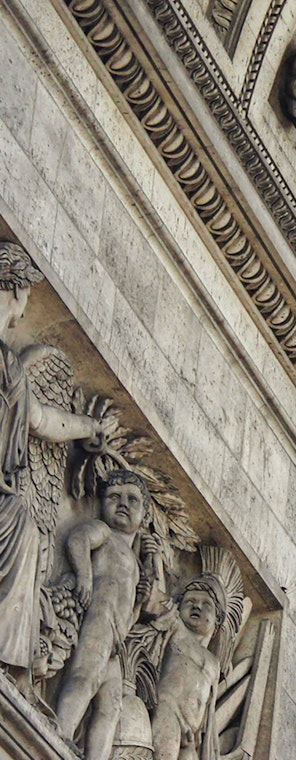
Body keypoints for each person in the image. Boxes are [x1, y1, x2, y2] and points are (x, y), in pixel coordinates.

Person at [0, 241, 103, 689]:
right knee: (21, 523)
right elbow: (43, 422)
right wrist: (88, 427)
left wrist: (85, 427)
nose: (21, 313)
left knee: (20, 521)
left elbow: (41, 421)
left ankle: (10, 664)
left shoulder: (10, 365)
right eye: (22, 296)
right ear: (16, 290)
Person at [54, 470, 150, 760]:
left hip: (117, 639)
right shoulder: (104, 533)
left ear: (144, 515)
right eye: (114, 497)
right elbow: (78, 539)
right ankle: (61, 733)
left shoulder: (134, 561)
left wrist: (138, 604)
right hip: (98, 617)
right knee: (85, 677)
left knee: (111, 705)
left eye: (132, 500)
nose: (123, 504)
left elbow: (129, 614)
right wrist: (84, 576)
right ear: (100, 503)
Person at [150, 573, 225, 760]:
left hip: (191, 735)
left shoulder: (214, 664)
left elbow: (208, 706)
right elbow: (152, 600)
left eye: (206, 604)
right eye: (190, 601)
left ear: (216, 620)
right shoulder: (177, 628)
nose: (197, 606)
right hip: (168, 712)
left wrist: (200, 736)